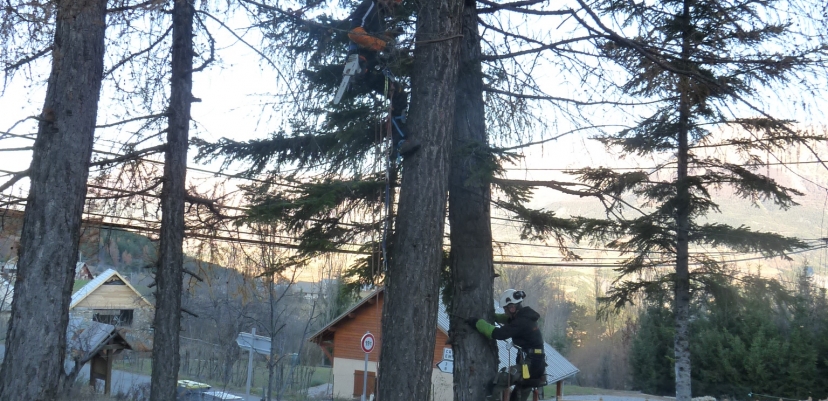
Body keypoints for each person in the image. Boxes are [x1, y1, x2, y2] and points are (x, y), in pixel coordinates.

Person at [346, 0, 419, 156]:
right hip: (363, 62)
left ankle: (398, 143)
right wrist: (382, 44)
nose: (393, 8)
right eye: (393, 4)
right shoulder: (370, 5)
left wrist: (388, 36)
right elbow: (355, 32)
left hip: (370, 65)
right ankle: (399, 143)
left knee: (397, 94)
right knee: (397, 94)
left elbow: (373, 35)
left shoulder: (379, 15)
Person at [467, 289, 547, 401]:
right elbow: (510, 320)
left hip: (530, 364)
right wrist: (494, 317)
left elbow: (498, 334)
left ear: (512, 308)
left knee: (500, 380)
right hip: (537, 365)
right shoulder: (526, 317)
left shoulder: (522, 322)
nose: (505, 312)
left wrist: (478, 323)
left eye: (506, 309)